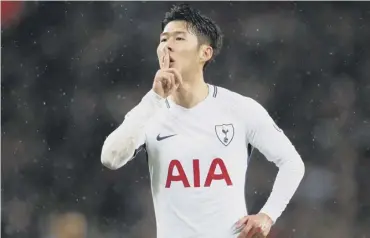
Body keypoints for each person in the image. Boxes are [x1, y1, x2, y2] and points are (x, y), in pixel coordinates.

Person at [101, 3, 305, 238]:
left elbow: (292, 163)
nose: (167, 46)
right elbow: (110, 158)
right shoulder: (150, 111)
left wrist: (268, 215)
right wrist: (155, 97)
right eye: (163, 39)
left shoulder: (239, 109)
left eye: (178, 38)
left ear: (205, 53)